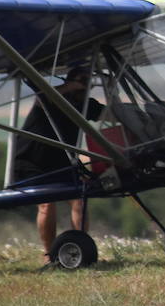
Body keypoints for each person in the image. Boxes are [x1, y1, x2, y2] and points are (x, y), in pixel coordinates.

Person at [12, 66, 105, 264]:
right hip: (32, 159)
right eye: (81, 80)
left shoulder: (85, 105)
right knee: (47, 203)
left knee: (79, 200)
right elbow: (41, 97)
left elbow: (109, 114)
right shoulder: (50, 99)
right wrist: (70, 86)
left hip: (61, 161)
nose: (84, 85)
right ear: (70, 81)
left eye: (87, 82)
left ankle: (76, 247)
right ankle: (49, 255)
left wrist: (112, 89)